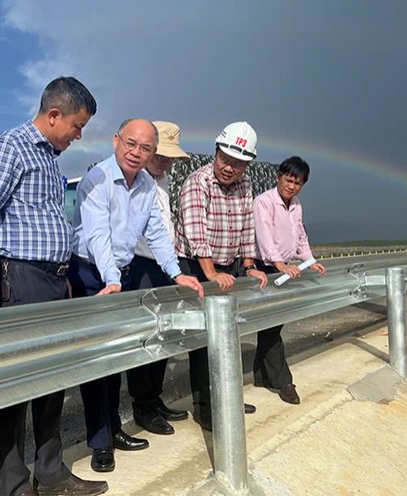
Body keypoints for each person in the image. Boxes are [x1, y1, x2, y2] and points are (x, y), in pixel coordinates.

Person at [0, 77, 108, 496]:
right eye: (77, 126)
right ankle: (14, 484)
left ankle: (52, 472)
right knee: (18, 383)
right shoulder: (12, 147)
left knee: (52, 379)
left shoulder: (49, 158)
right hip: (20, 278)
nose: (78, 135)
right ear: (53, 115)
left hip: (52, 280)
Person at [69, 118, 204, 473]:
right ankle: (100, 443)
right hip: (91, 275)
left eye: (145, 148)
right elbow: (98, 235)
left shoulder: (146, 184)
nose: (137, 153)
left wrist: (178, 274)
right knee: (98, 363)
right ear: (116, 141)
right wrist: (111, 279)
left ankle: (114, 429)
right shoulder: (97, 179)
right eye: (131, 144)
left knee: (118, 359)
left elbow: (158, 233)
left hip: (121, 276)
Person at [174, 121, 268, 431]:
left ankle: (228, 396)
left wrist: (250, 264)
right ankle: (206, 408)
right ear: (216, 153)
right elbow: (195, 230)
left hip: (226, 268)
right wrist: (211, 273)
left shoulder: (245, 185)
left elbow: (246, 227)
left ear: (247, 164)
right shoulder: (196, 182)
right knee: (204, 341)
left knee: (229, 336)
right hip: (196, 267)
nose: (230, 168)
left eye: (238, 163)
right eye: (225, 160)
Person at [126, 121, 191, 436]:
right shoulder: (134, 181)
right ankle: (142, 406)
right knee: (146, 337)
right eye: (161, 154)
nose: (165, 161)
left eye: (170, 157)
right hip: (140, 268)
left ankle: (154, 398)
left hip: (165, 267)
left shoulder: (163, 181)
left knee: (164, 335)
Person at [252, 156, 327, 405]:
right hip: (266, 268)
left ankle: (262, 376)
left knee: (271, 325)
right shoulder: (264, 202)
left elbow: (300, 237)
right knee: (272, 327)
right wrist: (279, 265)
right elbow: (263, 236)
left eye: (298, 183)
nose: (292, 186)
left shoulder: (296, 205)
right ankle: (284, 382)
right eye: (289, 179)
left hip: (284, 270)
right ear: (279, 177)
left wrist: (310, 260)